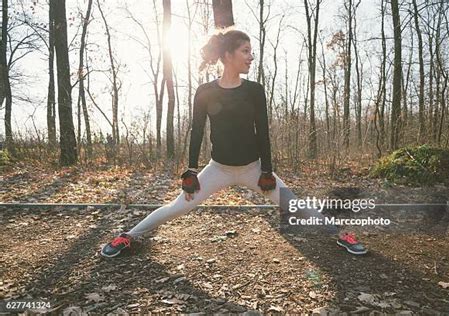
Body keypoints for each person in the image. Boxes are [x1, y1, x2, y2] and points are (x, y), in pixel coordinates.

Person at [100, 30, 367, 258]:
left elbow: (263, 132)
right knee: (177, 207)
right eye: (245, 50)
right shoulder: (205, 92)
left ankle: (342, 235)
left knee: (294, 204)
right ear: (228, 55)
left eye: (251, 51)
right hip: (219, 169)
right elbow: (196, 132)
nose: (251, 56)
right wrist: (191, 171)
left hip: (253, 167)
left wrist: (266, 170)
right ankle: (127, 236)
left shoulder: (254, 90)